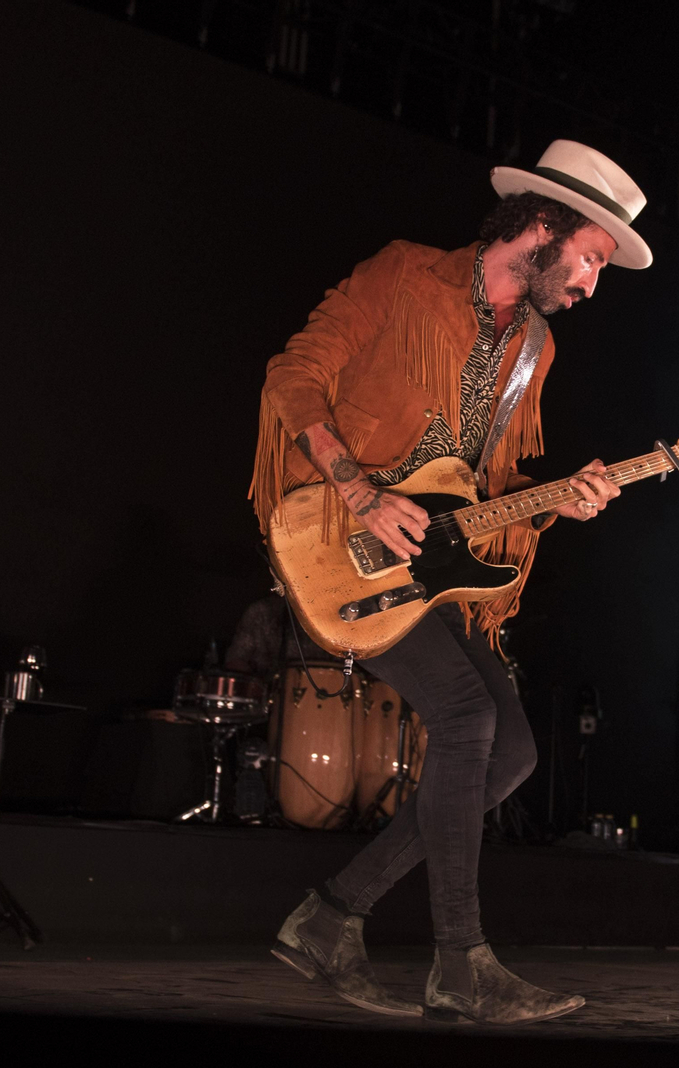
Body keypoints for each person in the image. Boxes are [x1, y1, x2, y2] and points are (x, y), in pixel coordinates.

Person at [252, 140, 649, 1023]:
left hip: (431, 567)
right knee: (467, 722)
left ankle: (330, 915)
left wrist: (557, 503)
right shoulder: (402, 275)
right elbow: (293, 375)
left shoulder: (533, 348)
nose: (590, 282)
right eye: (589, 257)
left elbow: (485, 495)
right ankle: (461, 964)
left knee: (510, 753)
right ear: (541, 229)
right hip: (338, 541)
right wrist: (356, 490)